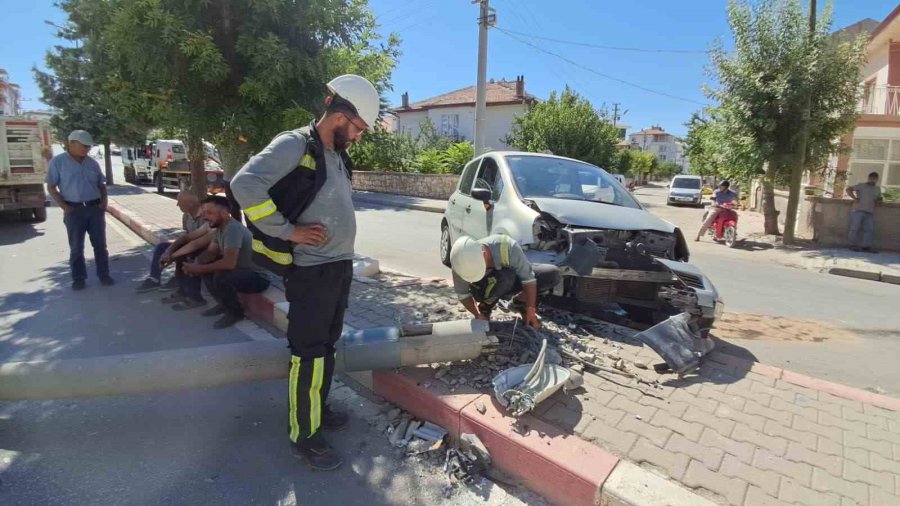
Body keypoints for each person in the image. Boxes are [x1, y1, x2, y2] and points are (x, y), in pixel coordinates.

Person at [230, 74, 379, 471]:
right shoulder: (295, 144)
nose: (359, 137)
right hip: (310, 272)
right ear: (339, 114)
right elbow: (244, 184)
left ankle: (317, 408)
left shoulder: (337, 155)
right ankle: (304, 435)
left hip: (336, 268)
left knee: (326, 347)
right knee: (308, 353)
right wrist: (287, 230)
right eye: (358, 128)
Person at [179, 196, 270, 328]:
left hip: (258, 277)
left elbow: (229, 263)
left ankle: (236, 313)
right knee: (207, 266)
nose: (204, 217)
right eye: (204, 213)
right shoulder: (220, 228)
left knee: (221, 276)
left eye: (209, 213)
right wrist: (196, 263)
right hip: (240, 272)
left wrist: (198, 269)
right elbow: (211, 252)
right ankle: (223, 305)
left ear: (224, 213)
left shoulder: (233, 229)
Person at [45, 130, 114, 290]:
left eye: (88, 146)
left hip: (94, 208)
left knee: (100, 245)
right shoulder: (58, 162)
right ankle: (79, 278)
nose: (86, 149)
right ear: (71, 144)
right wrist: (65, 206)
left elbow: (101, 184)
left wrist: (104, 201)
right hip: (73, 210)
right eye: (83, 146)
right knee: (76, 247)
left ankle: (104, 274)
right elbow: (51, 186)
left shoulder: (92, 163)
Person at [450, 235, 561, 330]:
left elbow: (528, 279)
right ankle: (485, 307)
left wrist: (531, 308)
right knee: (506, 276)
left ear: (484, 253)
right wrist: (477, 314)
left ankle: (520, 303)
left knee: (551, 274)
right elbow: (463, 295)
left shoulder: (507, 247)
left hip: (507, 280)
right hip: (483, 288)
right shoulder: (460, 263)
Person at [135, 192, 210, 293]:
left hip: (203, 247)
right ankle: (154, 278)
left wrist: (173, 253)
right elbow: (186, 236)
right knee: (162, 247)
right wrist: (170, 250)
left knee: (185, 253)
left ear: (190, 204)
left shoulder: (205, 217)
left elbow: (199, 242)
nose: (177, 205)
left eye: (180, 202)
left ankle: (180, 281)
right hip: (190, 244)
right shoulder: (186, 216)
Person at [846, 172, 882, 253]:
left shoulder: (877, 189)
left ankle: (866, 246)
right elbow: (848, 190)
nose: (873, 180)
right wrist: (855, 198)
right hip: (857, 210)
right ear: (868, 178)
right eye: (871, 178)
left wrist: (879, 200)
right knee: (854, 228)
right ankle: (851, 245)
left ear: (877, 180)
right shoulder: (861, 185)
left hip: (869, 211)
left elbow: (878, 198)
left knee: (869, 230)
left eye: (874, 178)